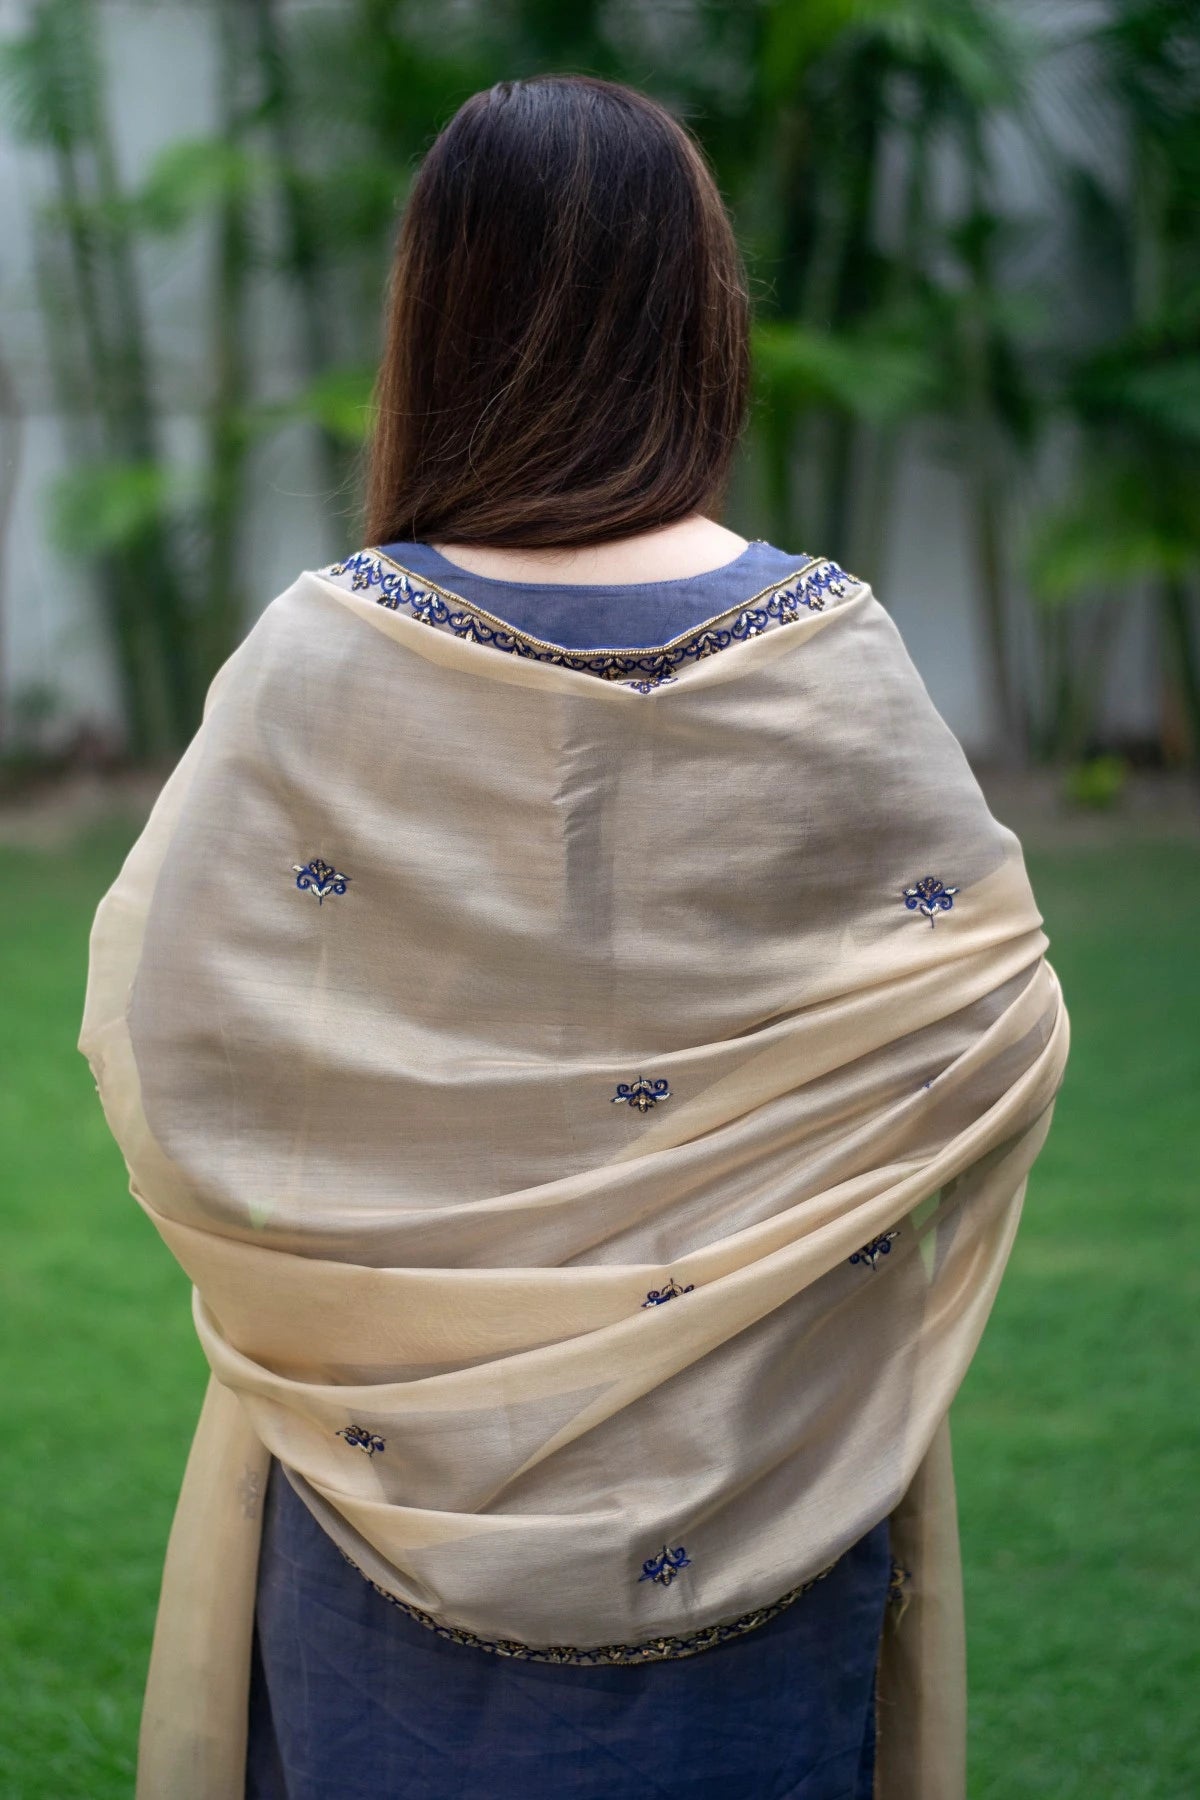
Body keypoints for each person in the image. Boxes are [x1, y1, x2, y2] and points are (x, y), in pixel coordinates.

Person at [78, 74, 1069, 1800]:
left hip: (386, 1473)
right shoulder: (830, 653)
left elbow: (168, 1042)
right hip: (770, 1468)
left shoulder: (327, 656)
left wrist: (405, 1228)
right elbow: (989, 1018)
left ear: (437, 314)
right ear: (697, 316)